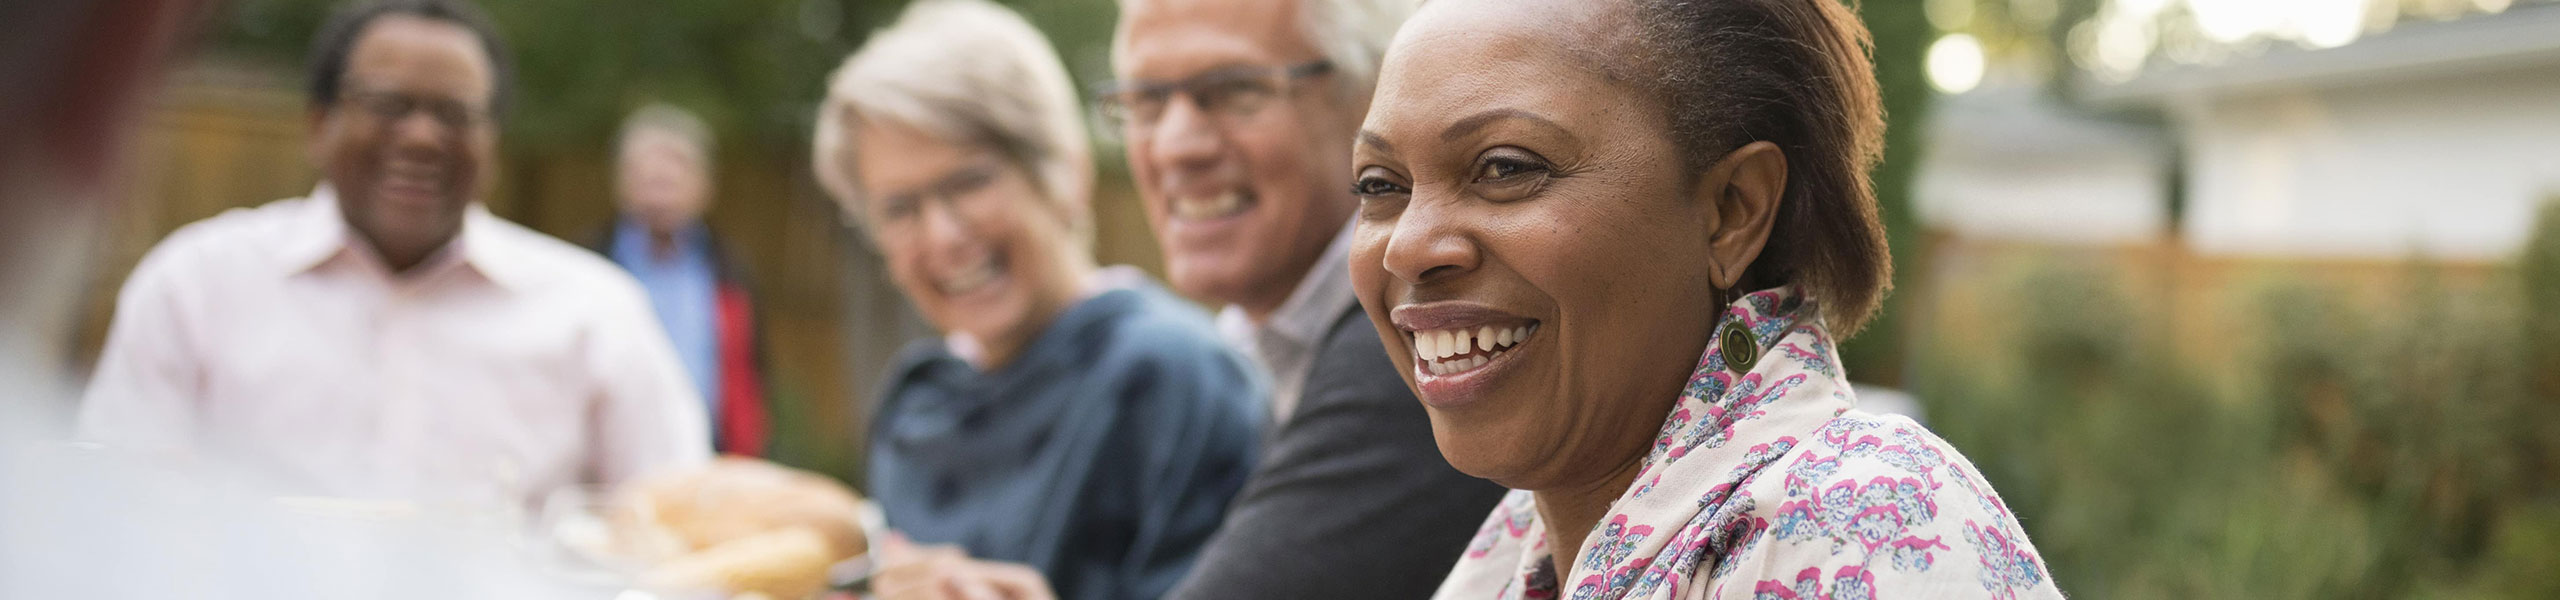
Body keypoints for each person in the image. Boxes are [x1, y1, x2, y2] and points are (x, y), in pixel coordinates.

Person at [1346, 0, 2063, 597]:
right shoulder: (1512, 551)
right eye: (1380, 185)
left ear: (1731, 210)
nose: (1407, 247)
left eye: (1505, 167)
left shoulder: (1857, 518)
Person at [76, 0, 710, 509]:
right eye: (387, 105)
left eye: (455, 114)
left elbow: (685, 528)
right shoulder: (196, 285)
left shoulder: (593, 313)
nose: (422, 136)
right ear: (318, 122)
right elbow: (112, 512)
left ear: (493, 140)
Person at [809, 1, 1264, 599]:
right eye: (900, 209)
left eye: (968, 182)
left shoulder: (1176, 376)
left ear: (1067, 174)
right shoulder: (917, 401)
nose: (943, 236)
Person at [589, 103, 771, 457]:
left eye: (677, 163)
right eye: (646, 166)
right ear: (620, 182)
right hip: (607, 460)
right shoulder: (589, 265)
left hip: (712, 461)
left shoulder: (732, 271)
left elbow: (751, 378)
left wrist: (745, 457)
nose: (661, 175)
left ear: (706, 185)